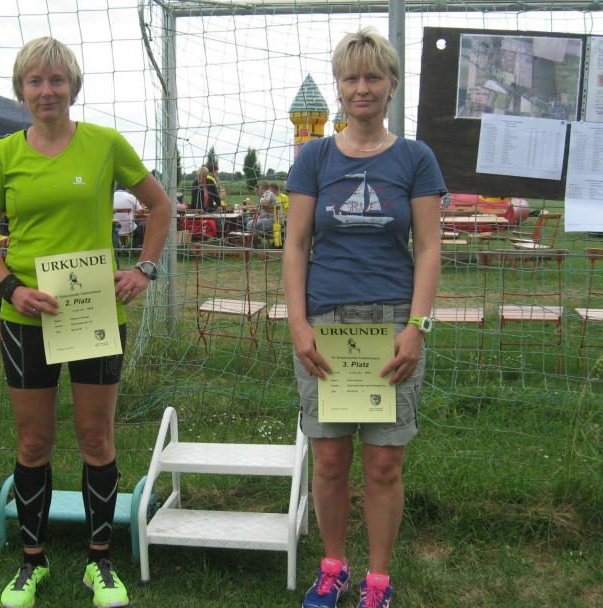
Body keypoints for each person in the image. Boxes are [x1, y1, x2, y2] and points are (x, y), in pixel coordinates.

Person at [0, 36, 171, 608]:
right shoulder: (2, 155)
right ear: (21, 89)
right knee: (34, 441)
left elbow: (161, 206)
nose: (47, 91)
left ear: (73, 86)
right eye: (35, 81)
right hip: (25, 317)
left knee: (96, 438)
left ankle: (99, 562)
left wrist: (144, 269)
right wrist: (12, 287)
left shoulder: (105, 144)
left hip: (92, 313)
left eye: (56, 80)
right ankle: (32, 564)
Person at [283, 28, 444, 608]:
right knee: (329, 459)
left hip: (392, 324)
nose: (362, 88)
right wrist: (298, 325)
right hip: (324, 324)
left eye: (373, 76)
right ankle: (333, 568)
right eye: (351, 77)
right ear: (338, 86)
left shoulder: (416, 158)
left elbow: (429, 249)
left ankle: (378, 581)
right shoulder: (314, 157)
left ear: (392, 85)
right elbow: (295, 246)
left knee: (383, 464)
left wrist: (416, 329)